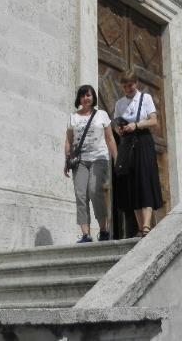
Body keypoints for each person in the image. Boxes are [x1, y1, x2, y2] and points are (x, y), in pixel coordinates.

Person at [64, 84, 117, 243]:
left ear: (93, 97)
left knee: (95, 191)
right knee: (80, 195)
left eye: (89, 95)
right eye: (83, 95)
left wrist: (117, 158)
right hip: (80, 161)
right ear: (79, 98)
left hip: (99, 158)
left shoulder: (101, 114)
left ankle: (103, 230)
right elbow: (69, 140)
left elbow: (109, 138)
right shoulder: (73, 117)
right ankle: (86, 234)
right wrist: (67, 160)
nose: (86, 98)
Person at [113, 69, 163, 237]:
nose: (128, 89)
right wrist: (119, 130)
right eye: (125, 86)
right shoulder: (119, 103)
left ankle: (147, 225)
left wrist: (136, 125)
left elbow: (154, 121)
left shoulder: (146, 98)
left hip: (143, 141)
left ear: (136, 83)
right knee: (131, 184)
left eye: (131, 85)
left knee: (145, 180)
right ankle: (140, 228)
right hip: (127, 143)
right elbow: (115, 123)